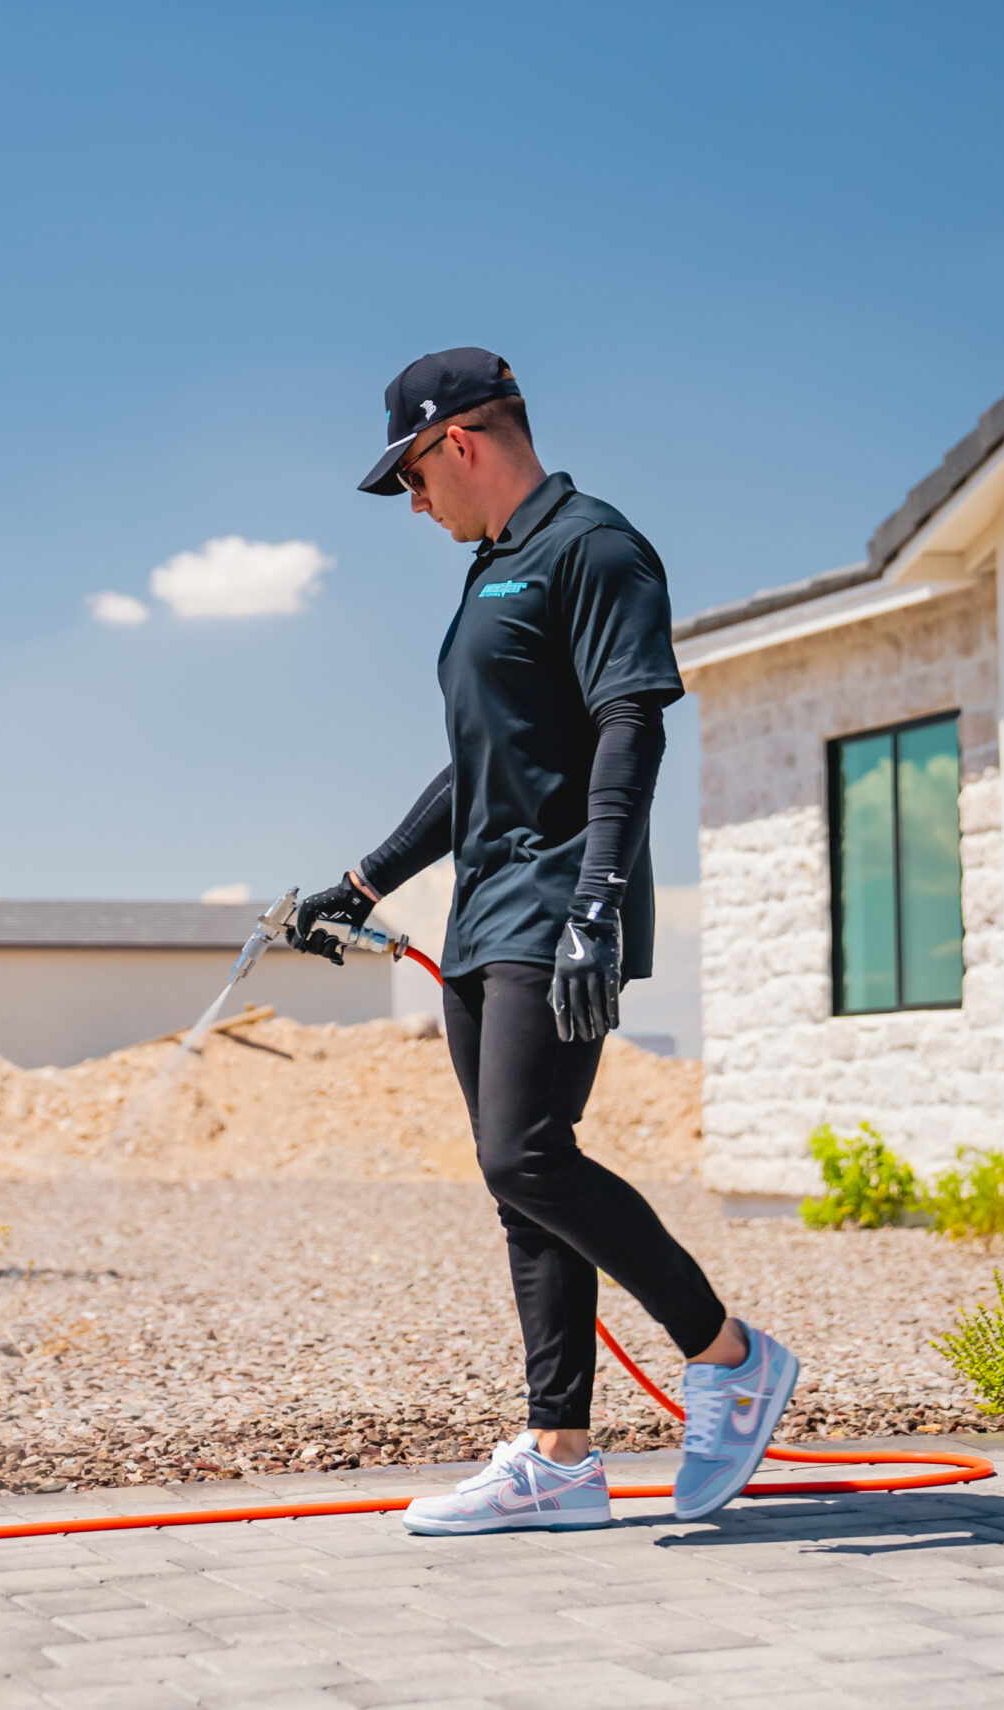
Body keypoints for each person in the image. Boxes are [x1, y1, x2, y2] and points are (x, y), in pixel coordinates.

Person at [287, 348, 801, 1534]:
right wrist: (362, 885)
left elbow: (630, 725)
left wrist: (595, 905)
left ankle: (728, 1354)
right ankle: (560, 1458)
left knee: (525, 1154)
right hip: (483, 910)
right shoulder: (491, 571)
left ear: (458, 441)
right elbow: (481, 767)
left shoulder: (593, 548)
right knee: (520, 1186)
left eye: (411, 476)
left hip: (560, 902)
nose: (413, 503)